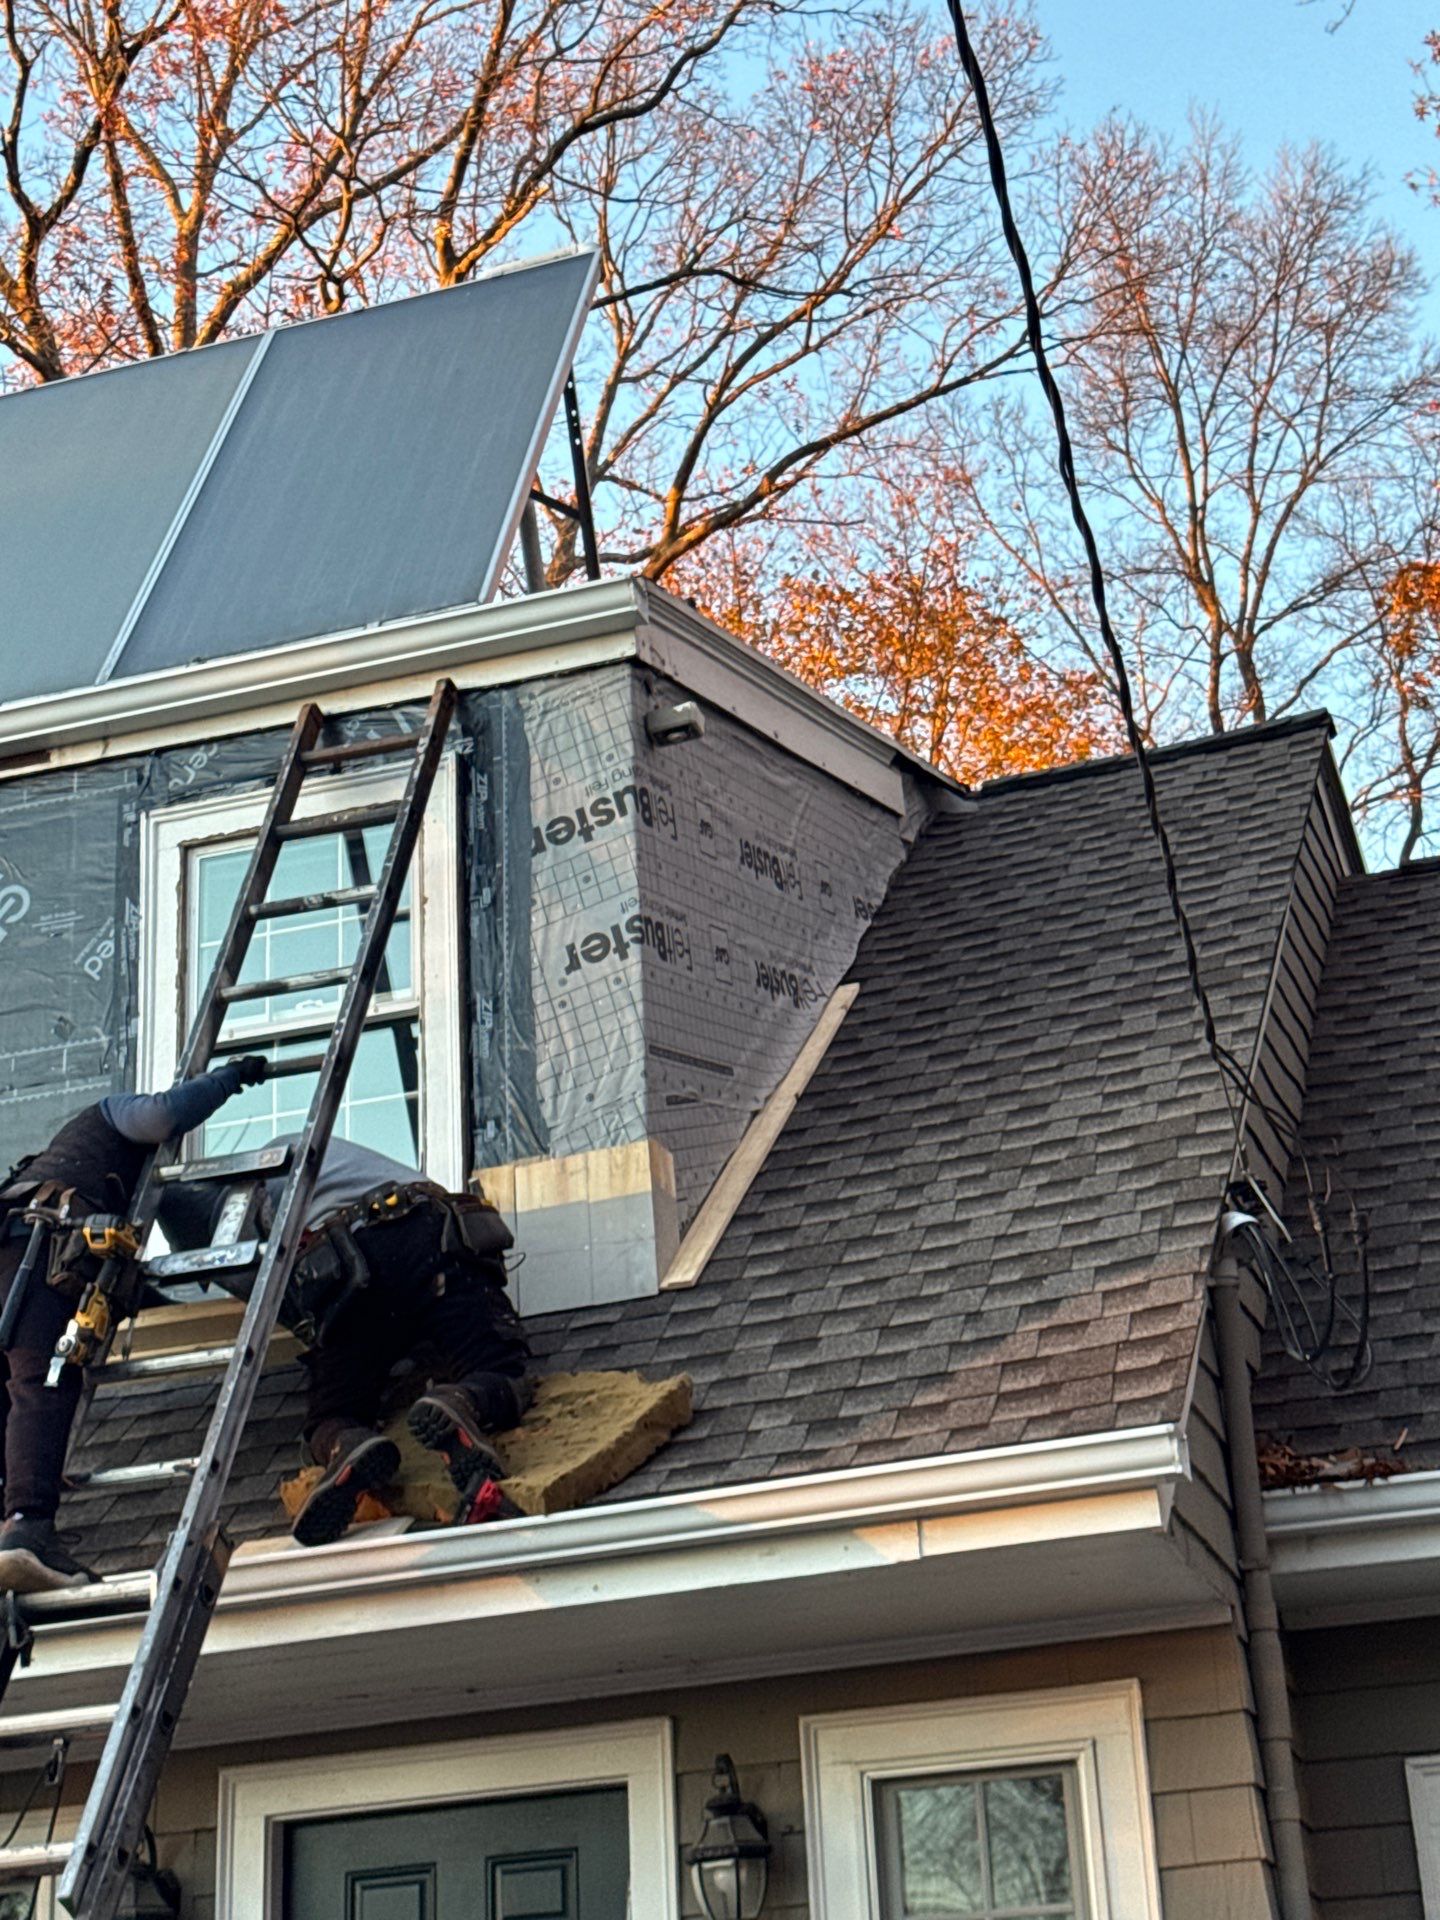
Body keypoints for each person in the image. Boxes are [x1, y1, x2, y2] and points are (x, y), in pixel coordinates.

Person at [158, 1135, 531, 1549]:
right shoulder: (298, 1148)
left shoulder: (237, 1223)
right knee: (496, 1367)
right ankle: (462, 1400)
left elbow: (293, 1302)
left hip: (352, 1269)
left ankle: (346, 1443)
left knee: (333, 1413)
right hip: (434, 1237)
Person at [0, 1059, 267, 1592]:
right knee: (46, 1382)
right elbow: (163, 1114)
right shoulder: (105, 1116)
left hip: (13, 1264)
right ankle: (28, 1529)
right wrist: (229, 1078)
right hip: (36, 1260)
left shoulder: (57, 1169)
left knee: (8, 1400)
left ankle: (11, 1522)